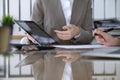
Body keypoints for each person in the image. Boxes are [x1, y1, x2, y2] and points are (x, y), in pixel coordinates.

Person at [29, 0, 93, 80]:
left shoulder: (86, 1)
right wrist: (32, 36)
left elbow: (89, 35)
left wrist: (78, 32)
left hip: (77, 59)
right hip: (49, 58)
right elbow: (34, 29)